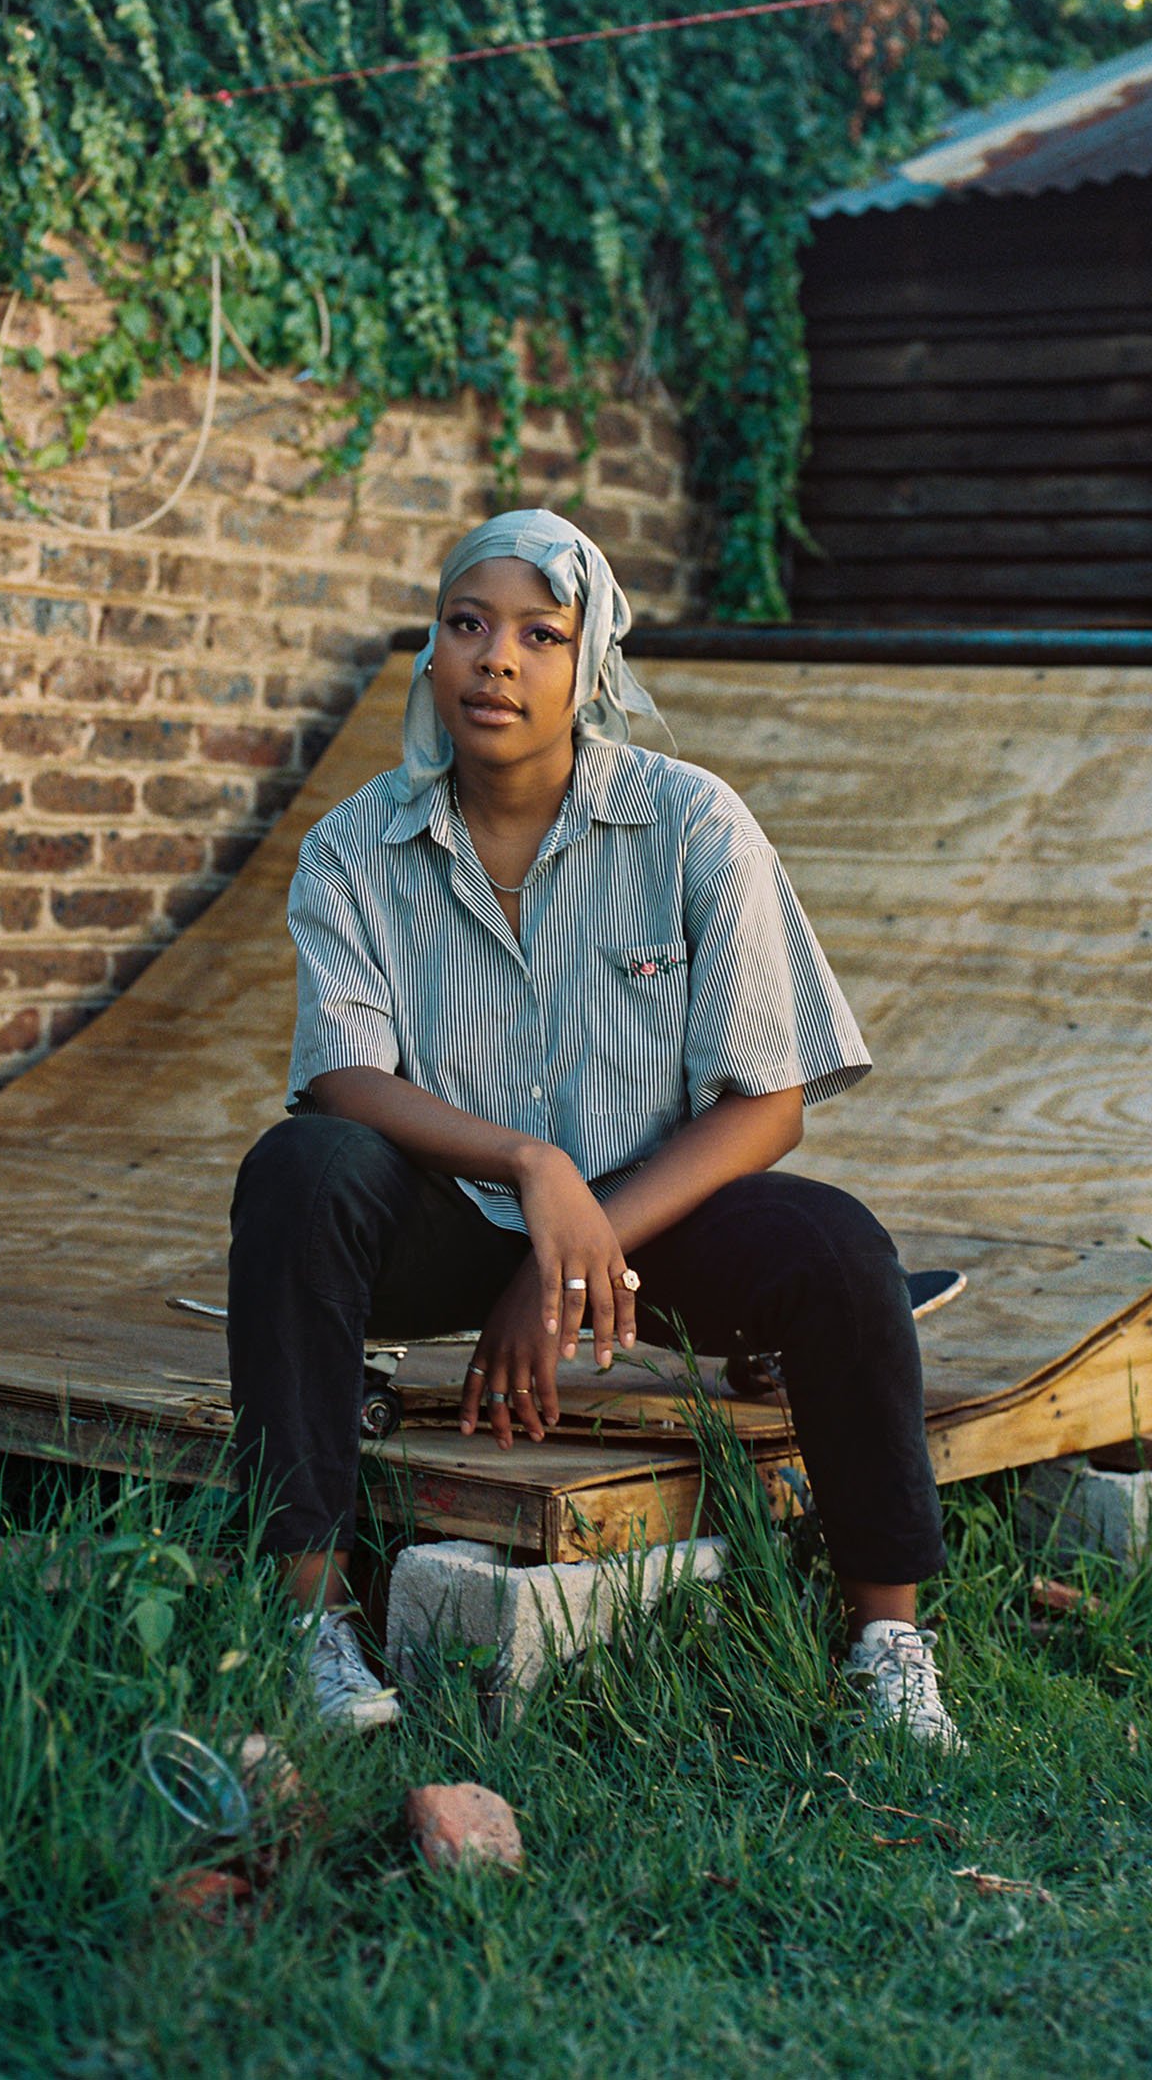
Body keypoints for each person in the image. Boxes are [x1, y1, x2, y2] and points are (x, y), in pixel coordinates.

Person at [226, 510, 958, 1747]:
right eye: (467, 625)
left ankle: (885, 1642)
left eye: (539, 634)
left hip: (649, 1230)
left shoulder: (692, 824)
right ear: (431, 650)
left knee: (838, 1250)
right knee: (300, 1167)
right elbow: (343, 1076)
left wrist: (570, 1251)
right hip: (444, 1221)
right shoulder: (355, 847)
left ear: (592, 663)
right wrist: (532, 1169)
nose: (495, 659)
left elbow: (769, 1101)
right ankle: (313, 1627)